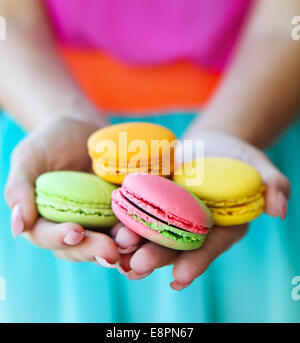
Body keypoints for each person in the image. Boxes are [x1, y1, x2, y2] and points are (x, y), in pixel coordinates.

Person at [0, 0, 300, 322]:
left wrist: (231, 128)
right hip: (51, 121)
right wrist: (59, 115)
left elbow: (288, 24)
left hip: (250, 114)